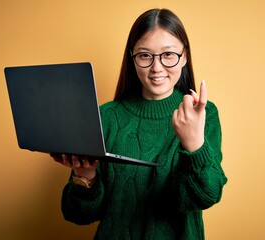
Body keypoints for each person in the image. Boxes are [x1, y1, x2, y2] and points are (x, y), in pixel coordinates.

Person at [51, 8, 227, 240]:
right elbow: (77, 215)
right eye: (145, 55)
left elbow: (207, 195)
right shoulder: (106, 117)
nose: (157, 68)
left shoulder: (204, 114)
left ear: (184, 56)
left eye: (168, 55)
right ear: (132, 57)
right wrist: (85, 174)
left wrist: (193, 144)